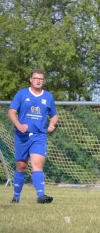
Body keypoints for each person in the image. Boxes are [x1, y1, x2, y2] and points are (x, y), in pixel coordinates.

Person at [8, 69, 57, 204]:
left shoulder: (48, 96)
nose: (38, 81)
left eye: (41, 79)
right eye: (36, 78)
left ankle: (41, 196)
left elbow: (54, 114)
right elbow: (11, 112)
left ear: (44, 81)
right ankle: (16, 197)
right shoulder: (22, 94)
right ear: (31, 79)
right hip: (22, 136)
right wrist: (18, 125)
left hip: (39, 136)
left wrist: (52, 124)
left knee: (37, 163)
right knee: (21, 166)